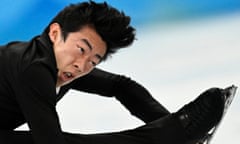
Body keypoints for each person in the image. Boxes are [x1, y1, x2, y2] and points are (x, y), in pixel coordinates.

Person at [0, 1, 227, 144]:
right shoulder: (34, 68)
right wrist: (175, 132)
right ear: (55, 33)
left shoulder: (58, 60)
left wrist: (171, 122)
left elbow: (121, 86)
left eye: (94, 61)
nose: (82, 65)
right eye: (81, 49)